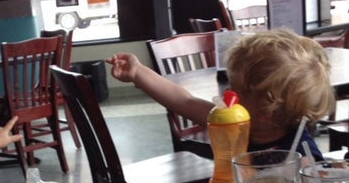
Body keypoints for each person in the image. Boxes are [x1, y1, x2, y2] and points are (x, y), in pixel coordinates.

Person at [107, 28, 335, 161]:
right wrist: (138, 72)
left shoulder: (300, 152)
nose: (227, 93)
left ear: (268, 109)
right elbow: (183, 101)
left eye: (237, 91)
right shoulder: (231, 123)